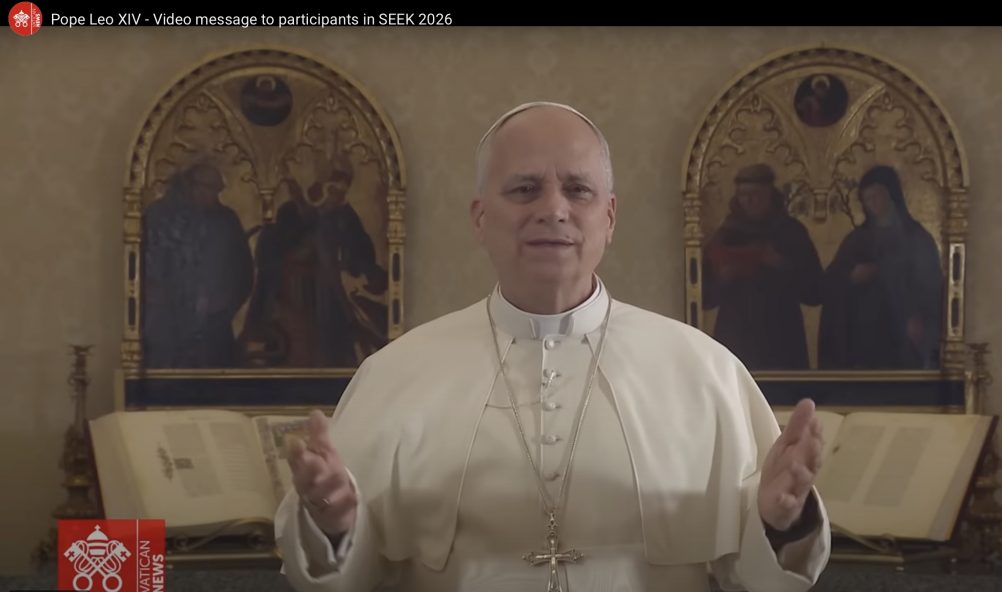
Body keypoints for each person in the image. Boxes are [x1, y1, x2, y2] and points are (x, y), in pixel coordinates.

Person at [274, 102, 830, 592]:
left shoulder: (706, 371)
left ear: (608, 217)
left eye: (578, 189)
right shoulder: (395, 374)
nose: (553, 209)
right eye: (524, 189)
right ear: (480, 218)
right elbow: (348, 577)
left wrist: (779, 523)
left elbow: (757, 578)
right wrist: (332, 524)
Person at [237, 153, 389, 368]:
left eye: (342, 193)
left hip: (330, 298)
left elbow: (360, 253)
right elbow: (272, 255)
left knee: (332, 351)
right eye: (333, 190)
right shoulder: (291, 211)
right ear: (321, 186)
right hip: (293, 296)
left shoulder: (345, 216)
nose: (337, 197)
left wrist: (364, 269)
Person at [818, 165, 944, 369]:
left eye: (876, 196)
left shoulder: (917, 238)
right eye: (867, 199)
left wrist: (919, 317)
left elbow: (931, 286)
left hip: (901, 336)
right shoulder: (857, 239)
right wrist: (851, 276)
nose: (872, 203)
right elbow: (830, 281)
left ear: (891, 194)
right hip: (864, 338)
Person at [702, 164, 824, 370]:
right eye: (743, 195)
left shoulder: (791, 232)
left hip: (781, 332)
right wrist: (723, 278)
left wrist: (779, 263)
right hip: (736, 329)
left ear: (770, 194)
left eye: (755, 194)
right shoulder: (725, 234)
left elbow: (815, 292)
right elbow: (702, 296)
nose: (749, 200)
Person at [141, 161, 254, 368]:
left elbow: (243, 271)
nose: (214, 196)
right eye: (209, 189)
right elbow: (146, 269)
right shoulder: (159, 214)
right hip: (168, 326)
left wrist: (224, 306)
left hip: (214, 326)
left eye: (217, 190)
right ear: (191, 185)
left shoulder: (226, 220)